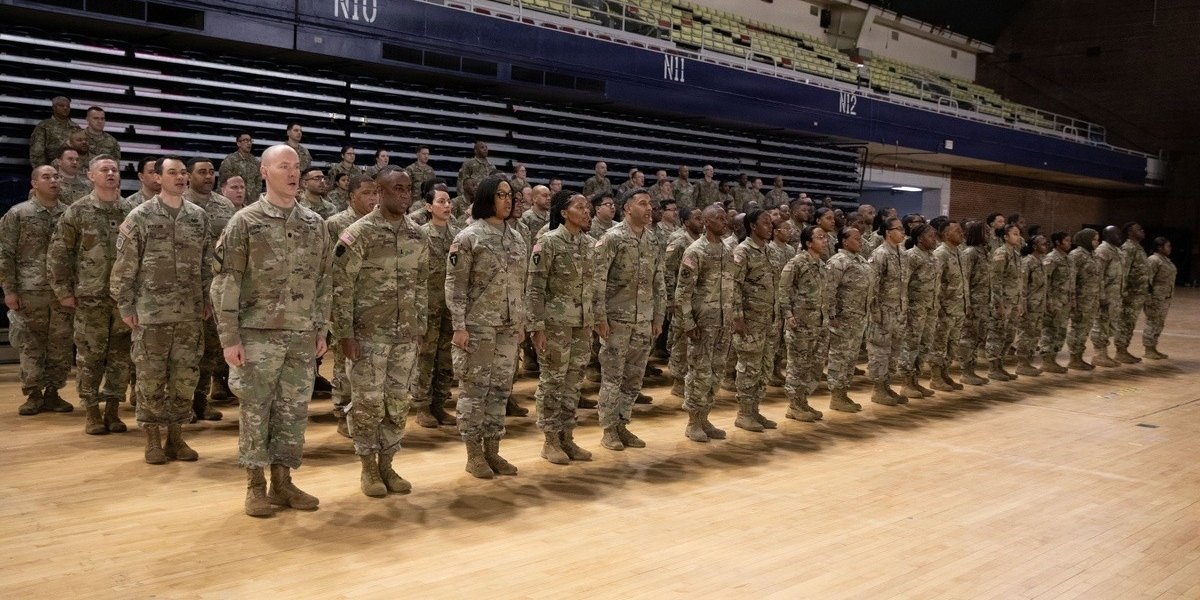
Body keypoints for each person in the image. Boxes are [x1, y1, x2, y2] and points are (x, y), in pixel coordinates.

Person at [211, 144, 332, 517]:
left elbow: (324, 281)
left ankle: (282, 482)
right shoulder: (244, 222)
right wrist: (229, 338)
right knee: (255, 410)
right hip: (257, 334)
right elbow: (226, 282)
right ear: (264, 172)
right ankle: (255, 486)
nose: (293, 173)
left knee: (293, 411)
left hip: (301, 334)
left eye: (296, 167)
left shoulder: (314, 224)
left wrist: (321, 327)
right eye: (283, 166)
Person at [110, 156, 212, 463]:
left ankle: (176, 438)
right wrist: (126, 304)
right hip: (151, 314)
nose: (180, 177)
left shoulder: (198, 216)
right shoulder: (140, 216)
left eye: (182, 173)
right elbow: (124, 266)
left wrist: (207, 299)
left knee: (185, 377)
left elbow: (206, 264)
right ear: (158, 178)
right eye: (172, 173)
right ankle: (153, 439)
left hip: (189, 313)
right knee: (150, 377)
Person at [332, 169, 427, 498]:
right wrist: (345, 334)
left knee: (397, 402)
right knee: (367, 404)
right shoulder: (359, 233)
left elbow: (421, 284)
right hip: (368, 335)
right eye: (397, 188)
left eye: (408, 189)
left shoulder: (417, 235)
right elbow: (341, 287)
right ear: (379, 192)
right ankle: (368, 467)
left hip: (405, 335)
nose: (405, 194)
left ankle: (387, 463)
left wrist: (420, 326)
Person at [445, 175, 527, 479]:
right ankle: (474, 454)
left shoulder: (517, 238)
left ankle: (493, 450)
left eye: (510, 195)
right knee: (474, 391)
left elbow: (520, 284)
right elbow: (455, 284)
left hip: (507, 327)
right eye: (501, 194)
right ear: (486, 198)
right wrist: (459, 326)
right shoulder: (469, 237)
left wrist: (520, 322)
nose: (508, 200)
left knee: (501, 390)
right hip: (477, 326)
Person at [47, 155, 132, 430]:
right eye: (104, 169)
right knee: (90, 355)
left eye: (114, 169)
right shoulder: (78, 211)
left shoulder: (130, 211)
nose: (111, 173)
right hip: (90, 295)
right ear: (90, 176)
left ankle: (113, 409)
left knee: (120, 356)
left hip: (122, 298)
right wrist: (63, 290)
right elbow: (59, 252)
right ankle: (92, 410)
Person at [526, 191, 595, 464]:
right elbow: (535, 287)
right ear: (564, 213)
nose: (586, 211)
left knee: (573, 382)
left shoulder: (589, 244)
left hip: (581, 324)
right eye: (580, 207)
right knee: (552, 382)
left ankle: (567, 437)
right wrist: (536, 327)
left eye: (587, 207)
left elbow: (593, 287)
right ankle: (550, 440)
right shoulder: (548, 241)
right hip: (555, 324)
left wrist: (595, 319)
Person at [593, 189, 665, 449]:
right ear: (627, 209)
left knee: (634, 378)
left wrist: (658, 316)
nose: (649, 208)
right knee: (613, 377)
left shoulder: (652, 239)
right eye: (642, 203)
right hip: (617, 321)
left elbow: (659, 281)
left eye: (650, 204)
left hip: (643, 320)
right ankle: (608, 430)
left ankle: (622, 424)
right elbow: (598, 280)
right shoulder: (612, 238)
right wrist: (599, 317)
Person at [2, 166, 73, 416]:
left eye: (56, 176)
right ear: (34, 183)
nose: (53, 180)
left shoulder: (69, 213)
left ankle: (53, 391)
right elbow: (5, 254)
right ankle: (33, 393)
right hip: (30, 290)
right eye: (46, 177)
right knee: (30, 343)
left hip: (62, 291)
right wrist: (9, 290)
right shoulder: (18, 213)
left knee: (61, 343)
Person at [324, 174, 381, 436]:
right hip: (344, 302)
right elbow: (328, 268)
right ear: (351, 197)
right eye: (366, 193)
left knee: (369, 363)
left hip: (374, 305)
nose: (372, 198)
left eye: (375, 193)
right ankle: (342, 412)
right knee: (343, 361)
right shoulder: (335, 224)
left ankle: (367, 414)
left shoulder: (380, 223)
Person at [183, 157, 238, 422]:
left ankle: (200, 400)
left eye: (211, 172)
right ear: (188, 176)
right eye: (201, 172)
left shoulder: (225, 205)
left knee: (210, 350)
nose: (208, 176)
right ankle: (181, 404)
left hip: (216, 288)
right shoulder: (180, 203)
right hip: (184, 289)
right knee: (185, 352)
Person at [676, 204, 734, 441]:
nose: (724, 222)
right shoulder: (695, 251)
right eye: (719, 218)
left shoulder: (727, 250)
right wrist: (688, 323)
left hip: (723, 323)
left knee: (716, 373)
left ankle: (705, 417)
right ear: (707, 222)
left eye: (725, 218)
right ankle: (693, 422)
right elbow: (682, 292)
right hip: (702, 323)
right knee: (699, 373)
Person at [412, 183, 459, 429]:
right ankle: (422, 405)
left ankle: (439, 404)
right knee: (425, 356)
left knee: (446, 357)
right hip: (427, 306)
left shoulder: (458, 235)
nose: (447, 205)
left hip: (450, 307)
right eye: (441, 201)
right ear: (428, 207)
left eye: (449, 201)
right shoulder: (419, 234)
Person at [730, 209, 779, 431]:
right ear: (752, 226)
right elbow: (734, 286)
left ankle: (755, 410)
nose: (770, 227)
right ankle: (744, 413)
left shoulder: (770, 251)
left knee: (764, 367)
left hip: (768, 320)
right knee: (749, 368)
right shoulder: (743, 251)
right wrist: (738, 319)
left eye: (771, 223)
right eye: (765, 223)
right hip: (750, 321)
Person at [777, 225, 827, 421]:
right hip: (800, 324)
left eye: (825, 237)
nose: (824, 241)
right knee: (798, 365)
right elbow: (783, 289)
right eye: (820, 237)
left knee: (814, 365)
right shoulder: (796, 263)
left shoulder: (821, 264)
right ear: (808, 243)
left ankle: (803, 401)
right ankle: (794, 405)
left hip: (818, 323)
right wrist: (788, 314)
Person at [825, 227, 874, 411]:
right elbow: (829, 290)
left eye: (860, 238)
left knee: (851, 357)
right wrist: (831, 315)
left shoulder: (860, 260)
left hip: (858, 318)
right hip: (843, 318)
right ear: (844, 241)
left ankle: (843, 392)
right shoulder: (838, 261)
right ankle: (836, 395)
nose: (860, 242)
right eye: (856, 238)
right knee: (839, 356)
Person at [865, 216, 908, 405]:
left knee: (894, 351)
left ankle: (887, 386)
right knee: (879, 352)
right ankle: (878, 389)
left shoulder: (902, 253)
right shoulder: (880, 254)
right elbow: (872, 285)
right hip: (882, 312)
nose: (903, 232)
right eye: (899, 229)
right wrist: (875, 311)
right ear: (888, 232)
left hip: (898, 311)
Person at [664, 206, 702, 397]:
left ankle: (691, 378)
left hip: (698, 300)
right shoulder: (679, 242)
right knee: (680, 340)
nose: (701, 222)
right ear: (686, 222)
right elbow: (668, 271)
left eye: (702, 218)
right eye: (697, 218)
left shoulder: (702, 242)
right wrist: (671, 299)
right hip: (682, 298)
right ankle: (678, 380)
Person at [898, 223, 939, 398]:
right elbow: (903, 283)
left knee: (925, 345)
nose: (934, 239)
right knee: (910, 345)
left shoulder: (932, 257)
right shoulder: (911, 256)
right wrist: (904, 309)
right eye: (931, 236)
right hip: (914, 309)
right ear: (920, 239)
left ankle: (916, 380)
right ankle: (906, 383)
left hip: (929, 307)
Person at [930, 219, 966, 390]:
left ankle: (945, 373)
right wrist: (937, 307)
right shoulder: (940, 254)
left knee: (953, 344)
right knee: (940, 343)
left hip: (958, 307)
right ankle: (935, 377)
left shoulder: (959, 252)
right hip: (944, 308)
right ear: (945, 234)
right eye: (957, 231)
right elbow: (936, 282)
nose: (961, 233)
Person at [985, 223, 1023, 382]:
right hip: (1003, 301)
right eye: (1015, 234)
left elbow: (1017, 280)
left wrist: (1019, 302)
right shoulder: (1001, 253)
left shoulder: (1016, 254)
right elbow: (995, 280)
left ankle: (1000, 365)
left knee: (1009, 335)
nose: (1018, 237)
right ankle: (993, 368)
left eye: (1019, 234)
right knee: (997, 334)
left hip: (1014, 300)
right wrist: (998, 304)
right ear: (1006, 237)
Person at [958, 220, 993, 385]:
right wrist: (967, 304)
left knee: (978, 337)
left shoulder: (985, 252)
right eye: (986, 231)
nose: (989, 234)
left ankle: (972, 370)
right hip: (973, 303)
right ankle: (966, 372)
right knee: (968, 338)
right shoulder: (970, 253)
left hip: (984, 303)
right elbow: (964, 279)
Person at [1037, 232, 1073, 373]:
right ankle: (1047, 360)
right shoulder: (1052, 258)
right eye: (1066, 240)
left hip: (1064, 301)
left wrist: (1072, 299)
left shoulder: (1067, 258)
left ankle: (1052, 359)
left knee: (1060, 331)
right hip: (1054, 301)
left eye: (1070, 240)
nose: (1069, 243)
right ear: (1058, 242)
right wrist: (1048, 301)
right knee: (1050, 330)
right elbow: (1045, 281)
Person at [1014, 234, 1049, 376]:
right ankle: (1022, 363)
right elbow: (1022, 286)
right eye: (1042, 244)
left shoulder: (1041, 261)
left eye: (1046, 243)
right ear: (1034, 246)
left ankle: (1028, 362)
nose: (1046, 246)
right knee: (1025, 334)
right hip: (1029, 305)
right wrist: (1022, 306)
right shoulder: (1027, 262)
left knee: (1035, 334)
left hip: (1038, 305)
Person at [1090, 226, 1124, 367]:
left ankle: (1104, 354)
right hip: (1105, 296)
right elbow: (1098, 275)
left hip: (1114, 296)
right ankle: (1099, 355)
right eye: (1116, 234)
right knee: (1101, 324)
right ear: (1108, 236)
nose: (1119, 236)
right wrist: (1101, 296)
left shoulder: (1117, 251)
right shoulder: (1102, 251)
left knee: (1109, 325)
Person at [1066, 228, 1101, 370]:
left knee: (1085, 328)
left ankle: (1078, 357)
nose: (1097, 242)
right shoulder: (1077, 255)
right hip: (1081, 300)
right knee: (1078, 328)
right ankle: (1074, 358)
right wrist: (1072, 299)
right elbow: (1071, 278)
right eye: (1094, 239)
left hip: (1092, 299)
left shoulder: (1093, 255)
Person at [1114, 222, 1148, 363]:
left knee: (1130, 323)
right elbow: (1124, 271)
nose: (1142, 230)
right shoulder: (1128, 247)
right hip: (1130, 294)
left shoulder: (1137, 247)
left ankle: (1123, 350)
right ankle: (1120, 351)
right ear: (1129, 231)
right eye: (1138, 229)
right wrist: (1123, 293)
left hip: (1137, 293)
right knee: (1125, 322)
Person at [1142, 237, 1175, 360]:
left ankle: (1153, 347)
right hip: (1155, 298)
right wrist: (1148, 297)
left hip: (1164, 297)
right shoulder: (1153, 260)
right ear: (1160, 247)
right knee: (1152, 322)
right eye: (1167, 246)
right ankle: (1148, 349)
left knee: (1159, 323)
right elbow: (1147, 280)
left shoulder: (1165, 260)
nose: (1170, 248)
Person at [29, 95, 79, 167]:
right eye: (61, 105)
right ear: (54, 107)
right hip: (51, 168)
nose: (65, 108)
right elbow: (37, 152)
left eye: (67, 106)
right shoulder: (44, 126)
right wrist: (44, 170)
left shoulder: (76, 128)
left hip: (72, 168)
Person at [219, 132, 261, 197]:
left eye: (250, 141)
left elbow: (258, 182)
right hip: (234, 198)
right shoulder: (230, 160)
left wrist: (255, 195)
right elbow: (223, 182)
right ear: (238, 143)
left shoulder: (255, 161)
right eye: (246, 140)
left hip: (251, 199)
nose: (249, 143)